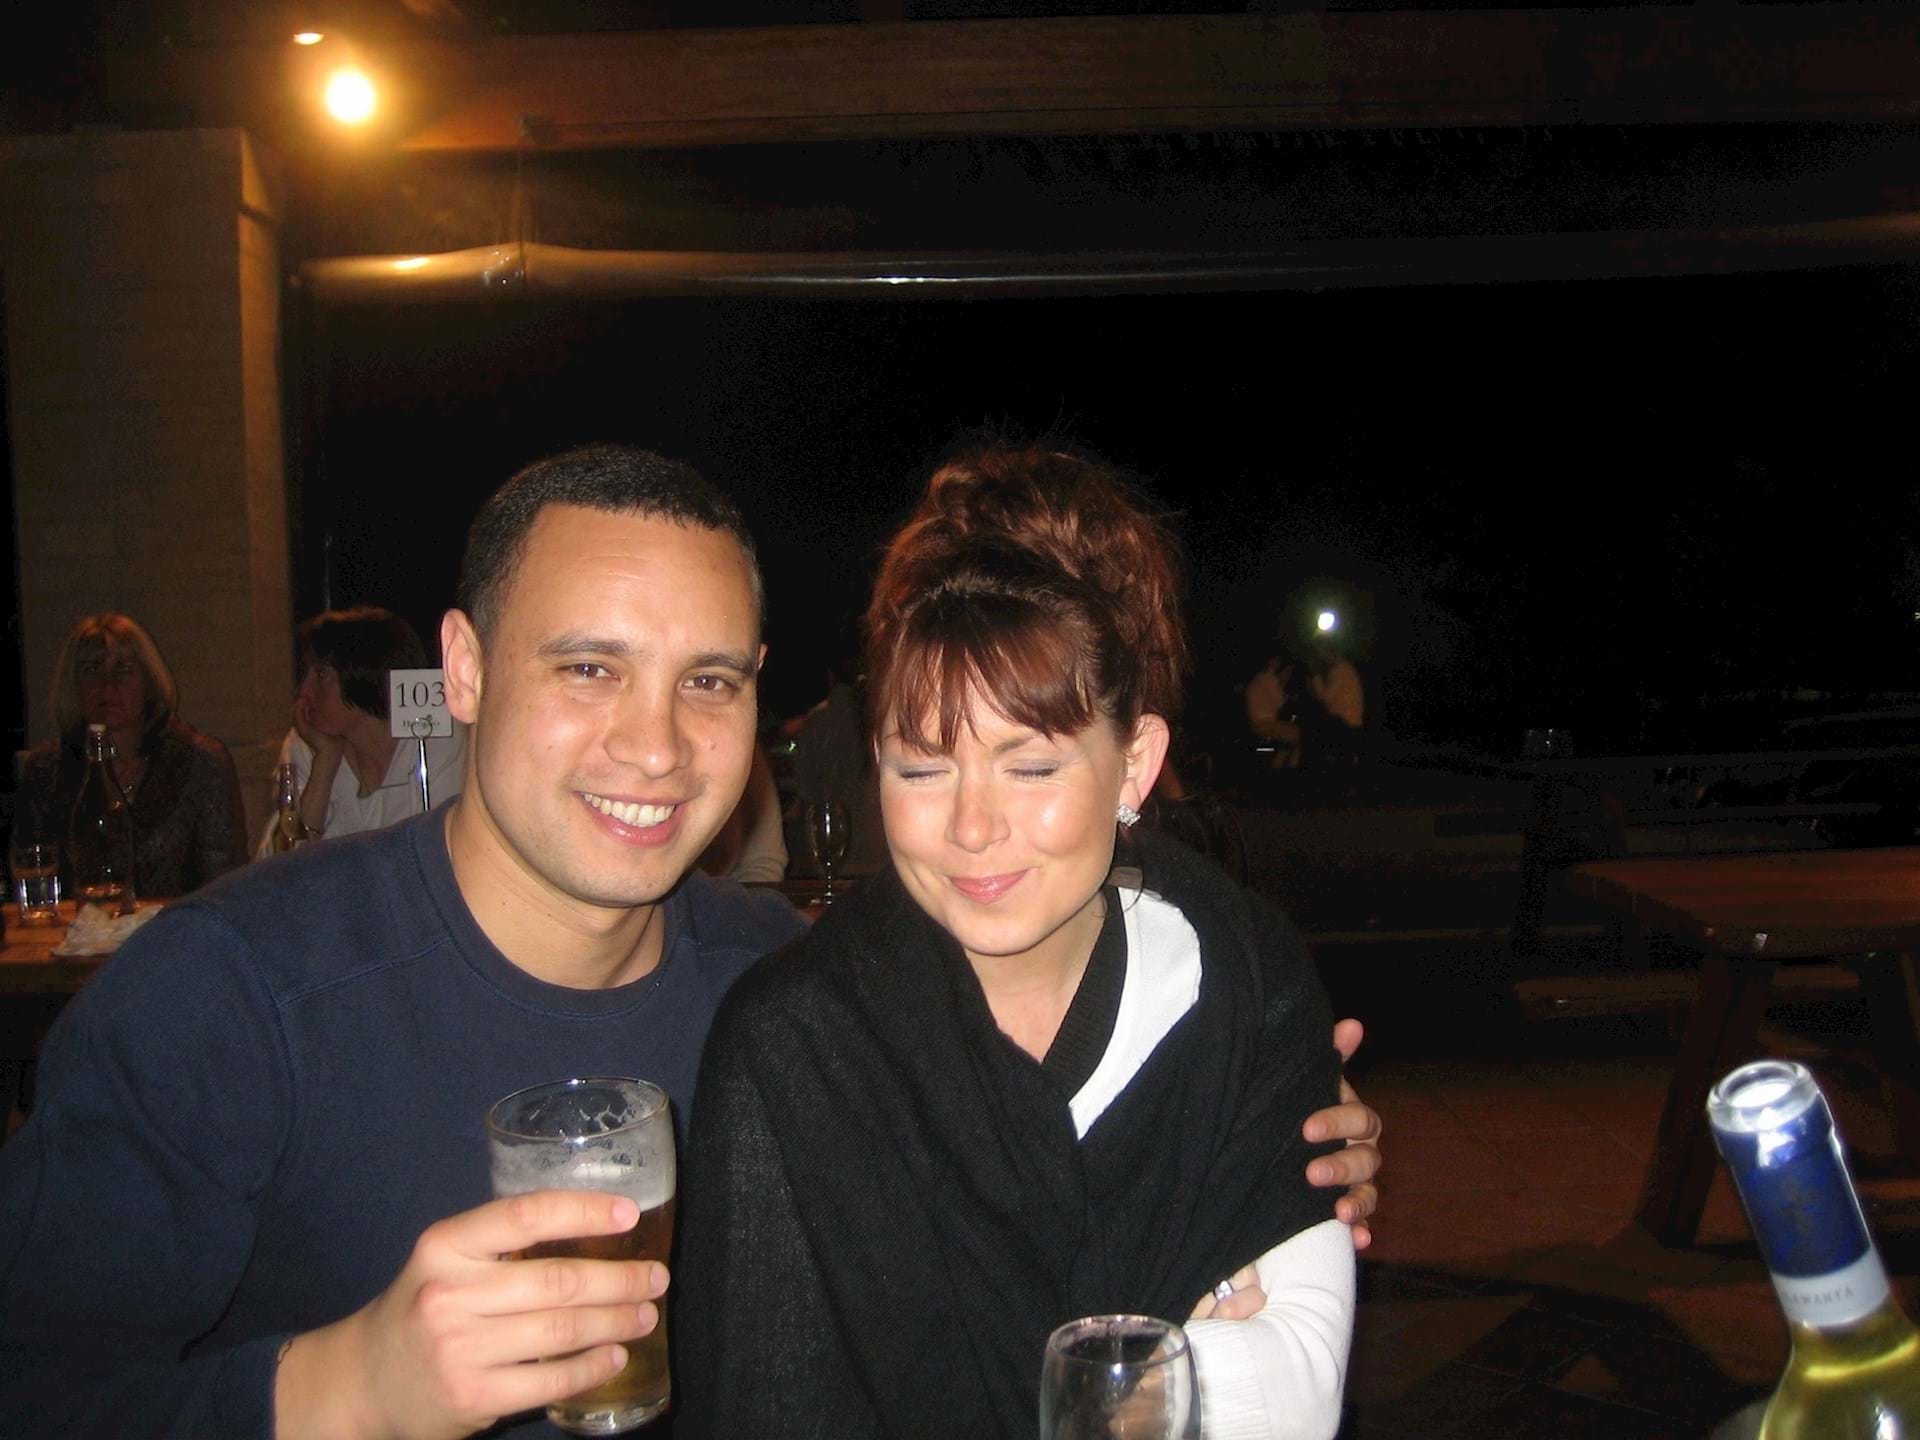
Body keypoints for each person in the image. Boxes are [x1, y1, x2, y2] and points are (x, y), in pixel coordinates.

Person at [0, 445, 1379, 1440]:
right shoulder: (230, 995)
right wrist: (341, 1389)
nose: (655, 744)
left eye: (707, 680)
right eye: (588, 667)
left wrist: (1270, 1127)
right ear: (464, 669)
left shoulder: (773, 985)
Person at [677, 443, 1358, 1439]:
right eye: (921, 768)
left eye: (1031, 766)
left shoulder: (1240, 979)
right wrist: (1161, 1374)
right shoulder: (797, 1045)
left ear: (1135, 764)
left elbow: (1298, 1394)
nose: (972, 828)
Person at [16, 612, 247, 898]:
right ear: (73, 683)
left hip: (175, 923)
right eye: (91, 669)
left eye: (123, 669)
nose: (107, 685)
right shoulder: (48, 770)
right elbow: (31, 875)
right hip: (74, 924)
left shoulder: (198, 762)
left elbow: (225, 885)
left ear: (148, 681)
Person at [254, 606, 468, 856]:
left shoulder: (436, 736)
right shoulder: (306, 743)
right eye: (305, 675)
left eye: (321, 675)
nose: (304, 691)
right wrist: (324, 765)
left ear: (364, 676)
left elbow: (446, 849)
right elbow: (277, 861)